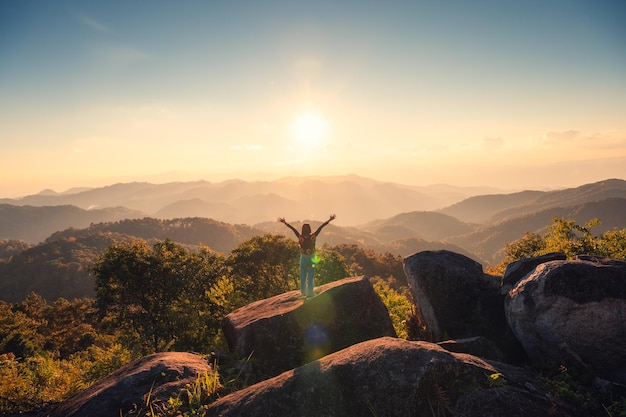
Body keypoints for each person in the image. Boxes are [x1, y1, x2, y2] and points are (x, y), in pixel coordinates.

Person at [278, 214, 336, 298]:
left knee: (303, 276)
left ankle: (303, 293)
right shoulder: (313, 236)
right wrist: (329, 220)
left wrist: (285, 223)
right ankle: (310, 293)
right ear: (309, 229)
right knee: (311, 276)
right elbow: (320, 227)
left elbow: (293, 229)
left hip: (303, 258)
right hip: (312, 258)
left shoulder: (300, 236)